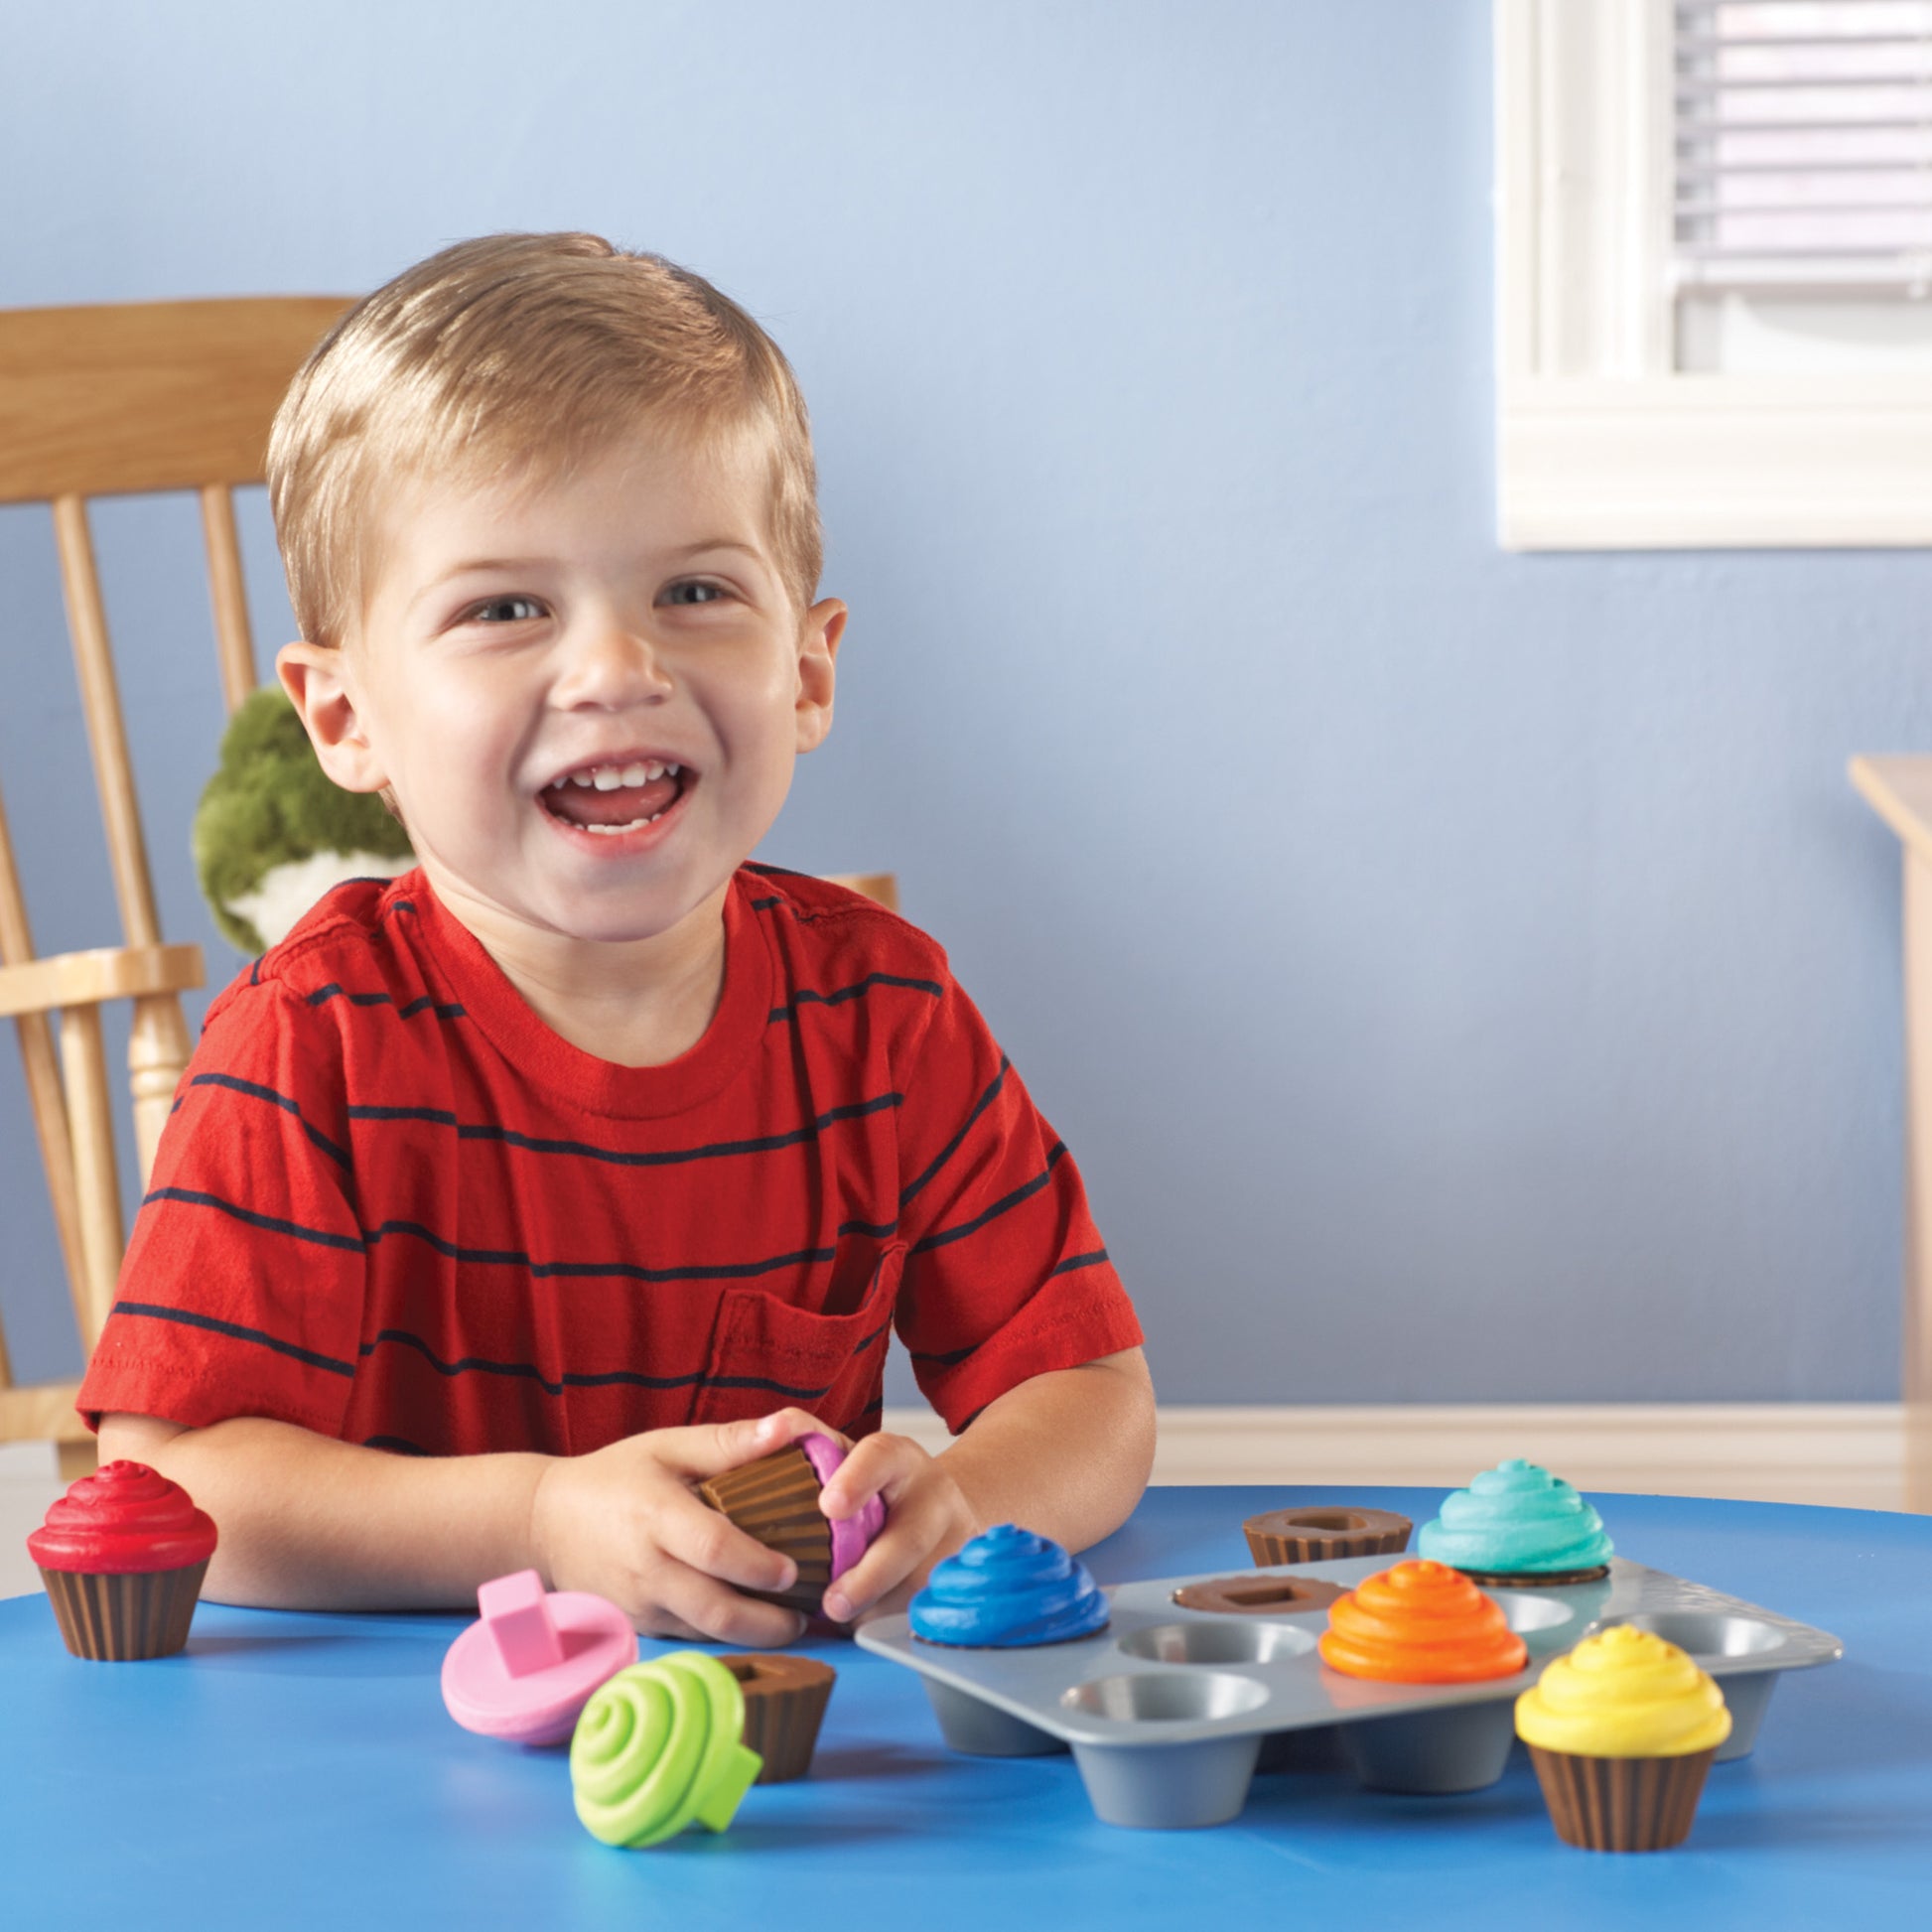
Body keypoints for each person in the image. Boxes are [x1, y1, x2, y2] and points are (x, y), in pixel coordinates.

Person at [81, 232, 1153, 1645]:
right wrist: (537, 1520)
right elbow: (170, 1476)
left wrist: (961, 1498)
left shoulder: (882, 1010)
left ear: (808, 667)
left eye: (693, 593)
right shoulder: (311, 1041)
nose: (615, 670)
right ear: (344, 717)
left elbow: (1091, 1394)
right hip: (411, 1735)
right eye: (504, 608)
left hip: (804, 1753)